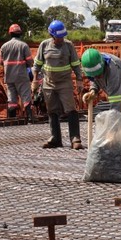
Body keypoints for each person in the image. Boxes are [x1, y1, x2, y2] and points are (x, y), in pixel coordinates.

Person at [81, 48, 121, 178]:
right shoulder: (94, 64)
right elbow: (94, 77)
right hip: (119, 95)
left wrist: (111, 129)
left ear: (102, 65)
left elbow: (115, 105)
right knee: (120, 129)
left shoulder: (112, 70)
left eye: (98, 74)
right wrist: (93, 90)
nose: (97, 77)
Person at [32, 20, 84, 149]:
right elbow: (37, 64)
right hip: (48, 83)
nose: (61, 39)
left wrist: (79, 79)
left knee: (70, 109)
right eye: (58, 37)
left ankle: (75, 138)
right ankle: (55, 138)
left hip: (64, 83)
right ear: (52, 35)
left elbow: (76, 64)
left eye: (62, 36)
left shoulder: (68, 45)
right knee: (52, 110)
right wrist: (35, 81)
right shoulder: (44, 45)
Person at [0, 23, 34, 122]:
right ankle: (30, 120)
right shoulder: (23, 45)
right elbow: (30, 61)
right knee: (26, 98)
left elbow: (0, 62)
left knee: (12, 100)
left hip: (9, 77)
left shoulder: (4, 46)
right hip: (21, 76)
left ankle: (12, 121)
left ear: (10, 33)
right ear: (20, 34)